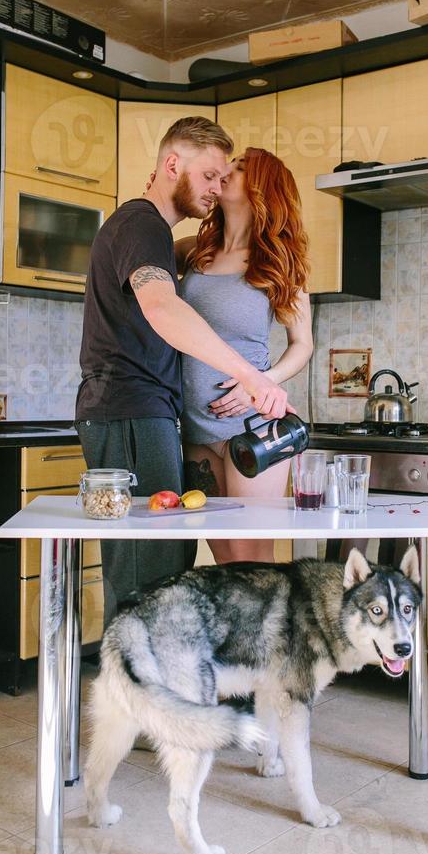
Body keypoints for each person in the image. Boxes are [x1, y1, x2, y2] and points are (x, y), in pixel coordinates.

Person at [75, 118, 290, 625]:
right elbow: (164, 309)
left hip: (142, 412)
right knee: (146, 573)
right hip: (128, 407)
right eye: (210, 175)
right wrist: (257, 379)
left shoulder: (157, 237)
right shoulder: (143, 224)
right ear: (173, 165)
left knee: (164, 566)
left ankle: (160, 693)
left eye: (224, 179)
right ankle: (136, 696)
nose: (217, 189)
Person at [176, 147, 313, 564]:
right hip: (195, 428)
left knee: (253, 559)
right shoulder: (194, 251)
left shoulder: (277, 262)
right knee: (223, 557)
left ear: (261, 188)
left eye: (237, 168)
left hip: (254, 427)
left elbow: (302, 344)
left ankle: (270, 633)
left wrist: (263, 379)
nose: (224, 173)